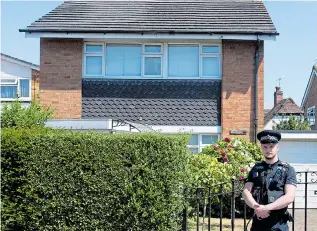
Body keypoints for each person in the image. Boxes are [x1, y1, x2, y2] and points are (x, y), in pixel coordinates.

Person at [242, 130, 297, 231]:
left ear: (277, 147)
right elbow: (246, 191)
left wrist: (267, 208)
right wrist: (257, 207)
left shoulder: (288, 169)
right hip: (258, 224)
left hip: (278, 225)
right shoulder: (256, 168)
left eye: (271, 146)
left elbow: (290, 197)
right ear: (261, 148)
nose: (268, 150)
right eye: (265, 147)